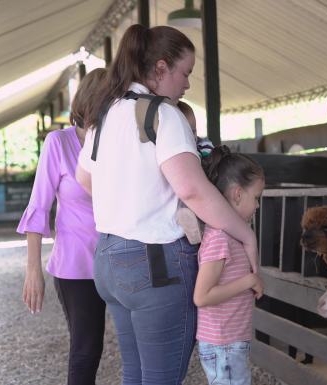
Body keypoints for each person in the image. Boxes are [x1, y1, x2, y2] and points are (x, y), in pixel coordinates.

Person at [75, 24, 260, 385]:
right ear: (161, 68)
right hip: (154, 265)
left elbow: (85, 180)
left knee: (135, 373)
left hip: (110, 260)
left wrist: (128, 195)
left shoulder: (105, 114)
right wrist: (246, 236)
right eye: (185, 73)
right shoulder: (164, 115)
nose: (187, 84)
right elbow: (193, 190)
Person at [18, 67, 107, 385]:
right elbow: (38, 207)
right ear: (89, 104)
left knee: (139, 347)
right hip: (76, 267)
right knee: (87, 351)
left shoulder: (118, 143)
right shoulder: (59, 143)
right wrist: (33, 270)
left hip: (121, 260)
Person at [194, 146, 264, 385]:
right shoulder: (220, 239)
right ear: (237, 194)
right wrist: (249, 280)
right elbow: (202, 296)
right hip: (223, 344)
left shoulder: (232, 236)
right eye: (256, 197)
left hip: (229, 342)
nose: (257, 206)